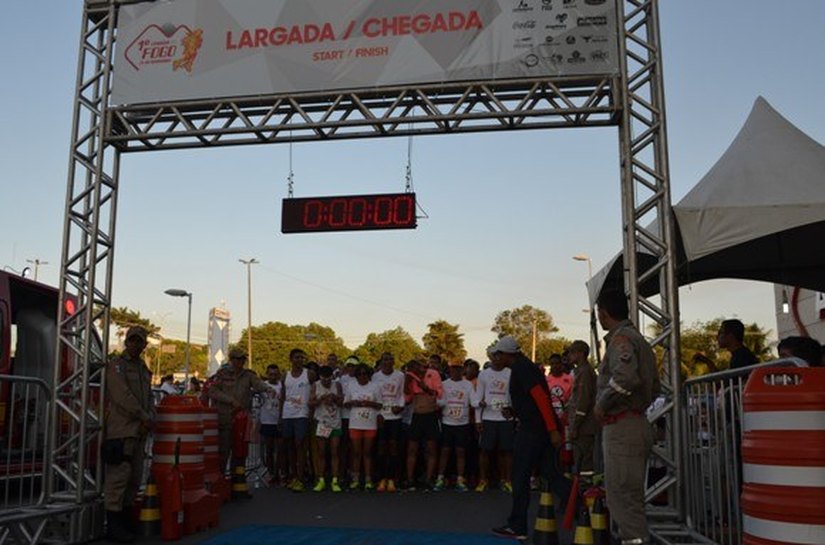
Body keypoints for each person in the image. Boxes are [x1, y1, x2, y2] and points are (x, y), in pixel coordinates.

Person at [594, 290, 660, 544]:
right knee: (628, 497)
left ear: (603, 313)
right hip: (633, 422)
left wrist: (602, 404)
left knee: (623, 498)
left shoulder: (621, 340)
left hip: (623, 426)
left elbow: (626, 378)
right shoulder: (638, 340)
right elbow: (652, 387)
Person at [490, 336, 568, 541]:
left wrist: (552, 429)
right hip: (538, 427)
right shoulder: (526, 367)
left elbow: (541, 398)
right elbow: (533, 401)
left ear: (508, 354)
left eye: (500, 354)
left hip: (533, 430)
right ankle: (581, 506)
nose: (498, 358)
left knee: (520, 475)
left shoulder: (522, 369)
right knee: (551, 472)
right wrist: (516, 411)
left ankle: (518, 525)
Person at [103, 326, 154, 543]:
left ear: (144, 344)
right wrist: (143, 415)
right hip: (122, 430)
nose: (135, 344)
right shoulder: (117, 365)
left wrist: (149, 415)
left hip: (139, 431)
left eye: (139, 341)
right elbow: (121, 396)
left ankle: (125, 521)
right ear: (126, 341)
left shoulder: (143, 368)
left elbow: (149, 396)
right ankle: (113, 526)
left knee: (134, 478)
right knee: (118, 478)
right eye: (132, 340)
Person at [208, 347, 268, 475]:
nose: (242, 361)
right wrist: (230, 400)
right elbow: (212, 391)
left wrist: (268, 389)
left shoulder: (249, 375)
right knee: (223, 451)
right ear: (232, 360)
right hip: (225, 418)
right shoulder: (222, 374)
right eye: (239, 359)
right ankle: (221, 479)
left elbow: (258, 384)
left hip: (242, 420)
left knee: (240, 452)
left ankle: (238, 482)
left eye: (243, 359)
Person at [474, 349, 513, 492]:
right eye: (494, 356)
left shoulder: (510, 373)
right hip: (488, 418)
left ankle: (507, 481)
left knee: (507, 451)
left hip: (505, 419)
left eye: (499, 356)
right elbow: (478, 397)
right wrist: (478, 419)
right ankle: (483, 480)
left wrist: (512, 411)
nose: (496, 359)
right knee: (485, 451)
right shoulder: (484, 374)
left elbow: (513, 395)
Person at [404, 358, 443, 490]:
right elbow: (407, 398)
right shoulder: (411, 377)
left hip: (431, 415)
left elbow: (438, 394)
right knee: (412, 449)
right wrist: (407, 382)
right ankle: (410, 479)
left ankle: (428, 478)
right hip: (417, 416)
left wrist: (425, 388)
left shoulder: (433, 374)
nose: (418, 370)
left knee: (431, 449)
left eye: (420, 367)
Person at [435, 360, 474, 491]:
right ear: (450, 370)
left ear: (462, 370)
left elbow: (473, 401)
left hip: (462, 423)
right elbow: (439, 401)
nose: (456, 371)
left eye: (458, 369)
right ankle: (440, 478)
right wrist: (438, 402)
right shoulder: (444, 384)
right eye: (453, 369)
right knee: (445, 451)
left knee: (460, 451)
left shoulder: (468, 385)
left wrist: (481, 402)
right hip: (447, 422)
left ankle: (460, 479)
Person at [344, 364, 382, 490]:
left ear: (368, 375)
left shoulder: (375, 386)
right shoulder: (351, 386)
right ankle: (355, 478)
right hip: (355, 423)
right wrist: (353, 402)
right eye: (359, 374)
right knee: (356, 452)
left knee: (367, 452)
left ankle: (368, 479)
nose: (362, 376)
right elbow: (346, 404)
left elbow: (380, 405)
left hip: (370, 423)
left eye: (364, 373)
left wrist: (369, 403)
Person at [371, 352, 405, 492]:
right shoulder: (376, 376)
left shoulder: (400, 375)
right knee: (381, 447)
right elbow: (374, 395)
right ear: (381, 361)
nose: (388, 362)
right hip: (381, 415)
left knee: (393, 447)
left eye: (390, 359)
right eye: (385, 359)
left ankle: (392, 479)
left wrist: (400, 406)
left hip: (395, 416)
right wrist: (378, 414)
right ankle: (381, 479)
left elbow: (402, 394)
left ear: (393, 361)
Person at [281, 348, 313, 492]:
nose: (299, 360)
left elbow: (316, 391)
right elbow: (283, 396)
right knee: (290, 446)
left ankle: (300, 478)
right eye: (296, 357)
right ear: (291, 359)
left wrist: (312, 413)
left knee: (300, 444)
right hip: (288, 414)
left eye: (302, 357)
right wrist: (280, 416)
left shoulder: (309, 374)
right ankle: (292, 476)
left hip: (302, 414)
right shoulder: (285, 376)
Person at [309, 365, 343, 492]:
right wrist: (321, 399)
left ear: (332, 377)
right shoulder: (316, 385)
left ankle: (335, 480)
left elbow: (342, 402)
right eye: (324, 379)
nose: (326, 382)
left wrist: (335, 398)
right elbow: (310, 403)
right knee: (322, 452)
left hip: (335, 421)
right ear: (320, 378)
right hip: (322, 422)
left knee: (335, 451)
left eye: (329, 379)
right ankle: (321, 479)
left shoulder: (337, 385)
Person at [567, 340, 597, 477]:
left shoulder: (584, 372)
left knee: (583, 460)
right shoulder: (580, 371)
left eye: (572, 352)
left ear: (580, 353)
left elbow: (583, 401)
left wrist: (576, 425)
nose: (569, 356)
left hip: (584, 426)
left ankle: (584, 489)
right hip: (581, 424)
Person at [259, 364, 283, 484]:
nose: (273, 376)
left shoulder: (282, 386)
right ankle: (270, 472)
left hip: (279, 421)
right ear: (267, 374)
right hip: (267, 421)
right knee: (269, 449)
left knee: (279, 450)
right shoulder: (263, 386)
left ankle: (278, 472)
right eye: (271, 374)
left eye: (275, 374)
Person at [545, 353, 573, 418]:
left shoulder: (570, 379)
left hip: (566, 415)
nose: (555, 366)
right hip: (551, 416)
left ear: (561, 364)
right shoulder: (546, 380)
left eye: (557, 363)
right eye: (552, 364)